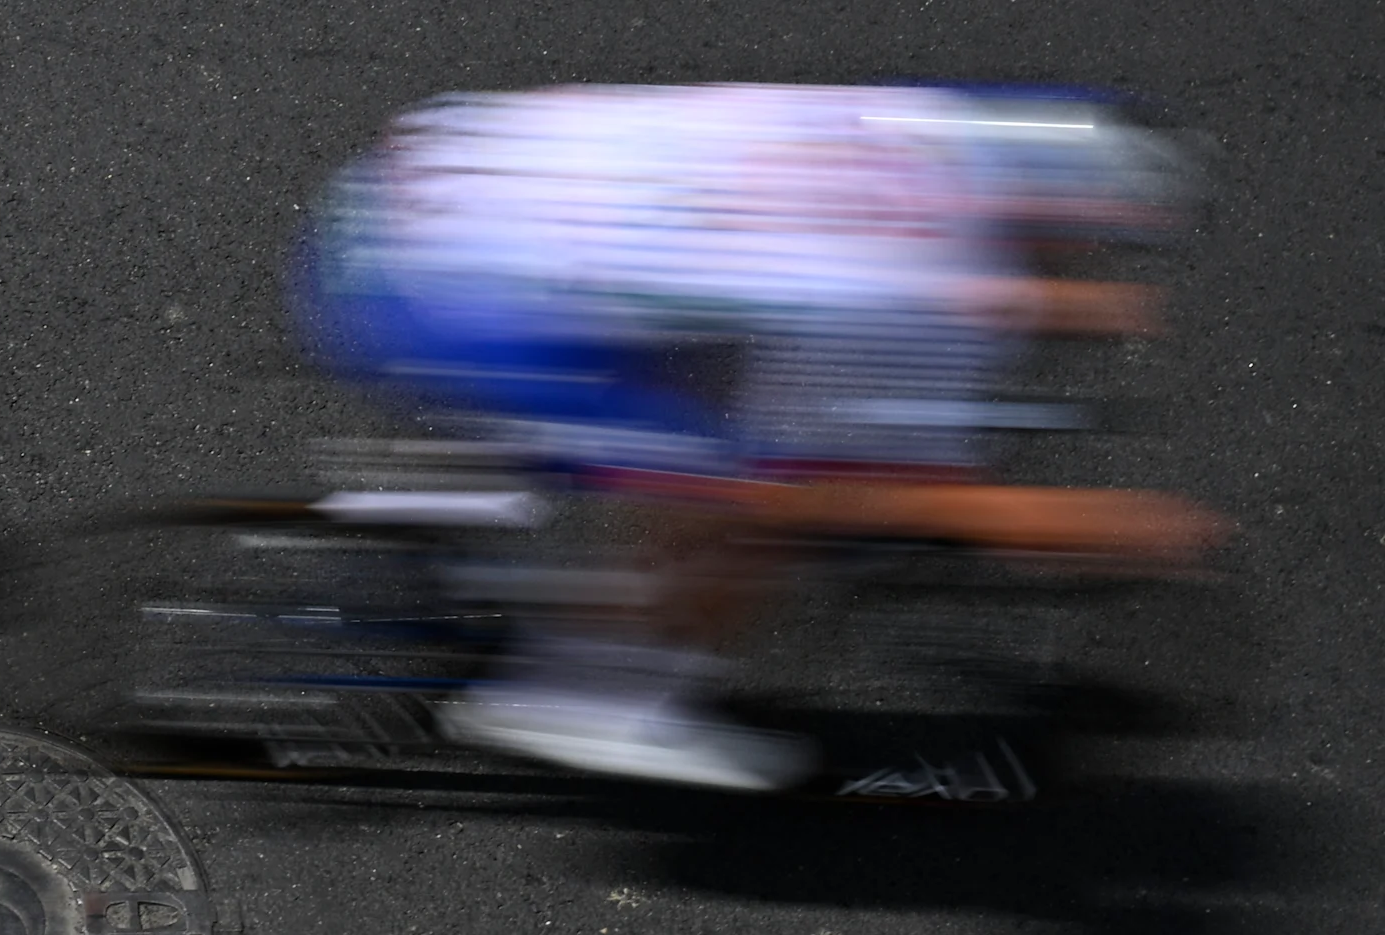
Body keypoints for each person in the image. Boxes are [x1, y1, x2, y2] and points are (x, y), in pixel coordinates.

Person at [302, 81, 1217, 789]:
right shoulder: (894, 282)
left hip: (407, 183)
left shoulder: (916, 126)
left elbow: (940, 271)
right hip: (437, 310)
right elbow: (880, 482)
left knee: (694, 359)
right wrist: (1083, 529)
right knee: (753, 498)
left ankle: (452, 489)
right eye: (1093, 242)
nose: (1091, 259)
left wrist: (1057, 307)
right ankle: (583, 701)